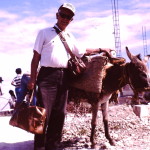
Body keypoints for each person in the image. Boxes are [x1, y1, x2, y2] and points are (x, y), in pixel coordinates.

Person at [28, 3, 113, 150]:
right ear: (57, 15)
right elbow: (35, 58)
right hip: (47, 76)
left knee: (59, 114)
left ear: (71, 20)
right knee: (42, 113)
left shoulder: (70, 36)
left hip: (64, 77)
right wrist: (32, 80)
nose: (65, 18)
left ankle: (53, 145)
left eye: (69, 17)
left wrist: (101, 49)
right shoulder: (44, 32)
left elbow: (82, 51)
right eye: (63, 15)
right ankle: (40, 146)